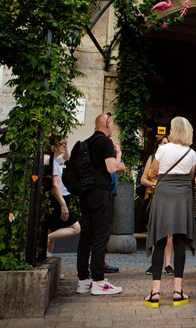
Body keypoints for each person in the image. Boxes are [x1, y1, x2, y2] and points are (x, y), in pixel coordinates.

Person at [144, 117, 196, 307]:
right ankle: (177, 291)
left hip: (163, 193)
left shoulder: (163, 149)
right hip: (183, 195)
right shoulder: (191, 152)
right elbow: (191, 176)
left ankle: (155, 292)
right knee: (180, 241)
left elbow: (154, 171)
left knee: (159, 240)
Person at [76, 113, 125, 295]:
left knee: (86, 236)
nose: (113, 127)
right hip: (101, 193)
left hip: (86, 193)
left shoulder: (87, 142)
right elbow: (112, 168)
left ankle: (83, 280)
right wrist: (118, 154)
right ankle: (99, 281)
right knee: (100, 236)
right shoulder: (105, 142)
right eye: (112, 123)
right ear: (107, 123)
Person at [141, 136, 174, 275]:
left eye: (165, 143)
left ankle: (168, 264)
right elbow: (143, 179)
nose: (163, 145)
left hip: (168, 197)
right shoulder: (152, 158)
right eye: (161, 143)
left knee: (169, 232)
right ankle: (154, 263)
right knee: (154, 230)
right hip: (153, 197)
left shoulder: (172, 158)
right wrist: (153, 184)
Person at [46, 139, 80, 257]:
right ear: (53, 146)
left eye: (64, 144)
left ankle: (47, 256)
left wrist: (66, 146)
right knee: (76, 228)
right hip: (58, 199)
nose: (63, 146)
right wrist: (63, 205)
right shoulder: (50, 161)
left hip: (62, 197)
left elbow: (67, 159)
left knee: (53, 229)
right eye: (61, 144)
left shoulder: (55, 160)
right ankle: (46, 239)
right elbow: (54, 186)